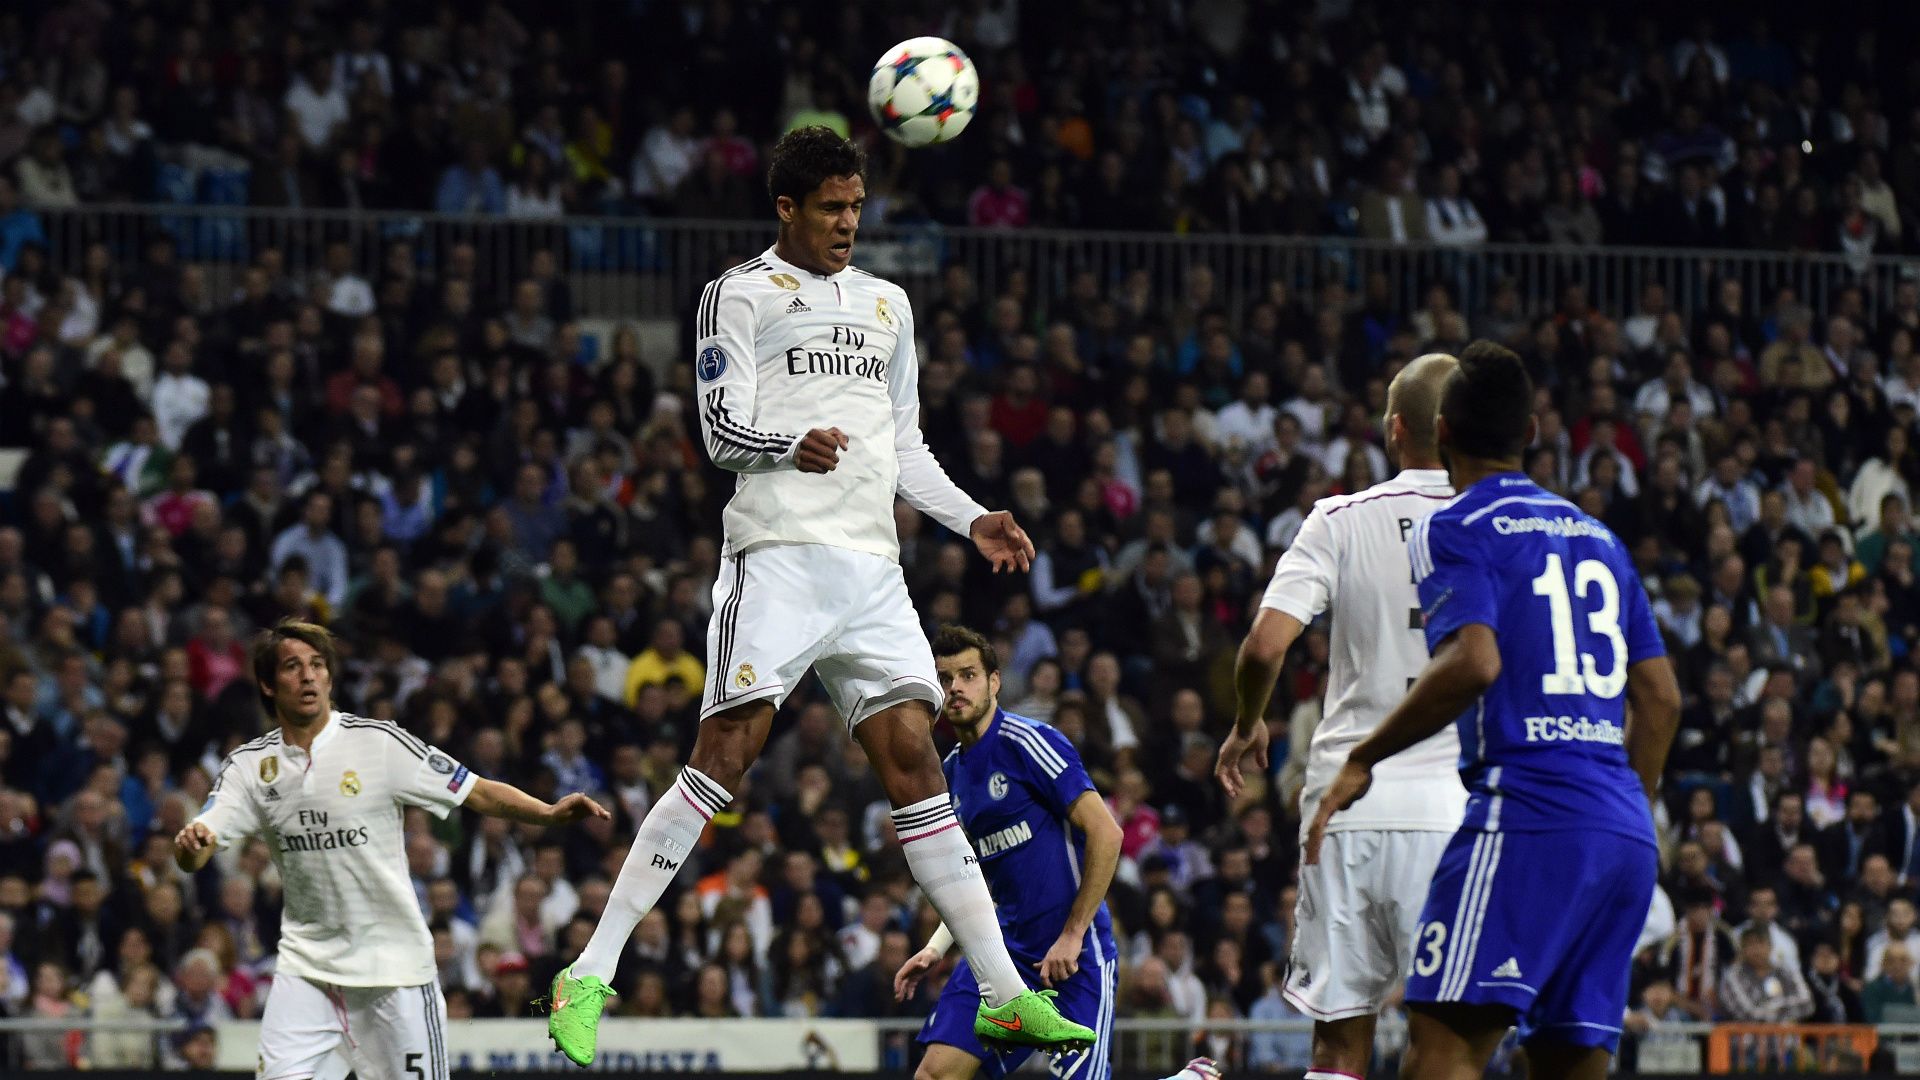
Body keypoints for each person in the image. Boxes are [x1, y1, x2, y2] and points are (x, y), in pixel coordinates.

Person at [547, 126, 1089, 1063]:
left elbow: (906, 445)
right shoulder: (739, 292)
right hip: (780, 553)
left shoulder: (888, 304)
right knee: (729, 752)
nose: (848, 223)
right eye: (831, 207)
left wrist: (972, 521)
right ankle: (589, 970)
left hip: (873, 568)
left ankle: (1001, 992)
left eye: (856, 205)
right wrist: (784, 447)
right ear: (787, 208)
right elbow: (718, 428)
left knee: (917, 758)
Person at [1308, 341, 1682, 1080]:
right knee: (1567, 1060)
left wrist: (1362, 757)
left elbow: (1475, 662)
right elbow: (1662, 697)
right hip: (1624, 834)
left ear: (1439, 432)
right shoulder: (1600, 538)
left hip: (1528, 816)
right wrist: (1626, 804)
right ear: (1533, 432)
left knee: (1442, 1050)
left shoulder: (1461, 524)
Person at [174, 619, 609, 1080]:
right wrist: (191, 848)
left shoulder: (378, 743)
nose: (308, 676)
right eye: (293, 667)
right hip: (308, 972)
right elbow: (202, 840)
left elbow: (474, 789)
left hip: (395, 970)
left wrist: (545, 813)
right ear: (267, 683)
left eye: (317, 665)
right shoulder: (249, 767)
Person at [1215, 354, 1466, 1080]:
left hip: (1345, 807)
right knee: (1441, 1042)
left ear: (1395, 429)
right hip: (1455, 813)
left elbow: (1264, 646)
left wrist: (1248, 723)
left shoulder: (1338, 518)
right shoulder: (1500, 524)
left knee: (1337, 1043)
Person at [892, 625, 1219, 1080]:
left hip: (1074, 957)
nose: (956, 688)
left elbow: (1108, 834)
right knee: (934, 1075)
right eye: (945, 679)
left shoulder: (1029, 743)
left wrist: (1073, 933)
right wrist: (934, 948)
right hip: (1001, 956)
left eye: (968, 675)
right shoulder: (950, 776)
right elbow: (973, 881)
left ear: (995, 681)